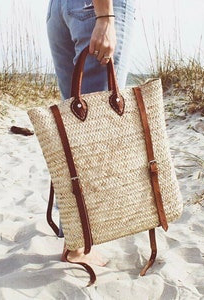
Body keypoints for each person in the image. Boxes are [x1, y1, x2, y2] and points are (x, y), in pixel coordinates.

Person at [46, 0, 137, 265]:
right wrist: (106, 15)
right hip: (93, 7)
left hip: (60, 9)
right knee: (94, 132)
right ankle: (79, 246)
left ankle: (74, 237)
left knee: (77, 128)